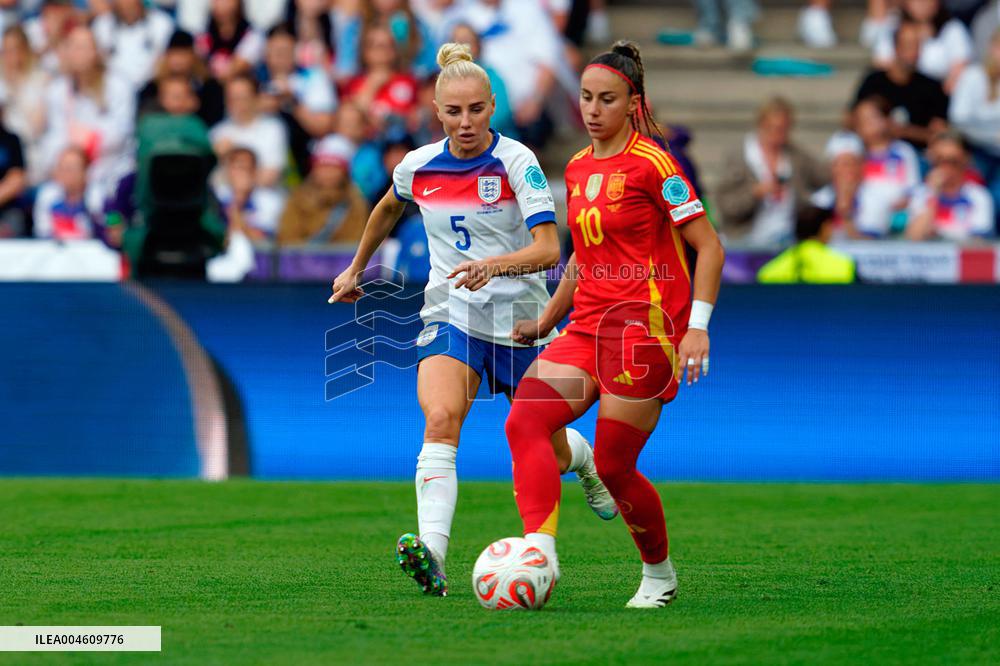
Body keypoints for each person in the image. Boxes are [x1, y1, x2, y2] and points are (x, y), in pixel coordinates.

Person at [329, 42, 617, 597]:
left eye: (477, 110)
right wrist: (356, 267)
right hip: (451, 311)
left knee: (550, 450)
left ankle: (582, 460)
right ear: (436, 112)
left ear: (492, 107)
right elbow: (390, 204)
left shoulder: (516, 162)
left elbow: (549, 249)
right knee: (440, 417)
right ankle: (432, 555)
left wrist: (494, 265)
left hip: (522, 320)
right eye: (454, 112)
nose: (465, 123)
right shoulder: (418, 165)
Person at [503, 41, 725, 608]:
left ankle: (659, 576)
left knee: (615, 464)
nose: (593, 109)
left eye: (607, 99)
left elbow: (709, 247)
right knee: (525, 421)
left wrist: (697, 327)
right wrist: (547, 318)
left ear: (633, 103)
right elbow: (583, 255)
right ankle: (539, 552)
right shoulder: (577, 167)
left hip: (643, 333)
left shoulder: (656, 164)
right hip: (586, 329)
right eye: (585, 97)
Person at [716, 97, 829, 247]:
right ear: (761, 124)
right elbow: (725, 205)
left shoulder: (796, 155)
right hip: (746, 240)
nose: (778, 134)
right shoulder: (740, 157)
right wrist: (755, 193)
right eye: (773, 128)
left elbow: (825, 178)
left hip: (788, 239)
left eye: (784, 129)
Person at [256, 23, 337, 178]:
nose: (281, 56)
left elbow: (323, 126)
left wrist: (292, 103)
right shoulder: (254, 81)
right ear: (266, 52)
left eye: (286, 51)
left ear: (295, 52)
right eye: (276, 51)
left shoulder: (314, 78)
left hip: (303, 153)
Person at [854, 21, 949, 150]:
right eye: (908, 45)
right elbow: (851, 119)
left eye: (918, 46)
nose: (914, 52)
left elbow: (939, 134)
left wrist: (903, 131)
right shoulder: (873, 82)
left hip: (919, 156)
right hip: (874, 153)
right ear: (896, 47)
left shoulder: (932, 87)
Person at [277, 134, 368, 244]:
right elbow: (288, 238)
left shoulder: (356, 203)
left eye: (334, 167)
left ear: (344, 172)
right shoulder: (297, 199)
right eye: (323, 166)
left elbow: (355, 242)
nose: (327, 173)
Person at [852, 96, 922, 237]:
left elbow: (913, 186)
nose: (867, 124)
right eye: (862, 120)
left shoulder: (903, 152)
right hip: (864, 213)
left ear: (886, 120)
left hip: (899, 212)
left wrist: (901, 203)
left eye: (872, 118)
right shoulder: (855, 154)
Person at [950, 28, 1000, 220]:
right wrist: (992, 136)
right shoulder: (973, 76)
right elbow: (959, 120)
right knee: (980, 198)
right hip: (975, 151)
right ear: (992, 49)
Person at [906, 131, 996, 240]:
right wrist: (933, 194)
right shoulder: (921, 194)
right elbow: (913, 238)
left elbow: (979, 243)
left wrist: (942, 236)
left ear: (966, 159)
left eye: (953, 161)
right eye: (940, 160)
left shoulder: (978, 196)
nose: (946, 167)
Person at [872, 0, 973, 93]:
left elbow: (960, 70)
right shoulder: (893, 25)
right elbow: (882, 66)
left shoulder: (952, 29)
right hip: (898, 92)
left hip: (935, 96)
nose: (922, 3)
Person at [209, 73, 289, 187]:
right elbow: (212, 181)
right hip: (225, 202)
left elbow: (269, 177)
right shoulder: (217, 133)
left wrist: (229, 165)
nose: (238, 104)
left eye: (243, 98)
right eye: (232, 98)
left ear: (255, 98)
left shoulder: (273, 128)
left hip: (265, 200)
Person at [137, 30, 226, 127]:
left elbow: (215, 120)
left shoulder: (209, 87)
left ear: (193, 56)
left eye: (183, 54)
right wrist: (167, 105)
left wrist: (194, 108)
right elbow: (144, 118)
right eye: (174, 54)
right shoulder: (153, 87)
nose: (178, 60)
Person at [0, 26, 50, 185]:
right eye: (6, 50)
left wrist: (16, 90)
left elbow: (37, 127)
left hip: (31, 153)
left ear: (25, 50)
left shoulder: (41, 79)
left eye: (15, 49)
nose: (10, 56)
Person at [757, 205, 856, 283]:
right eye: (830, 226)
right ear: (824, 228)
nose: (831, 231)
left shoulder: (769, 271)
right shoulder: (845, 266)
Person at [91, 0, 175, 89]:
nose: (127, 4)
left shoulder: (162, 23)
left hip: (152, 87)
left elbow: (166, 59)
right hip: (112, 89)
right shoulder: (102, 25)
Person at [32, 146, 105, 241]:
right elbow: (42, 231)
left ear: (85, 172)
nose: (65, 173)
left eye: (71, 168)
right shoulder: (48, 193)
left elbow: (102, 230)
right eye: (61, 168)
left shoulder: (97, 195)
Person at [216, 146, 285, 241]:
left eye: (245, 168)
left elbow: (263, 240)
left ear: (255, 171)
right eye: (235, 168)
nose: (240, 174)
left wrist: (239, 201)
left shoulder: (270, 201)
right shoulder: (217, 196)